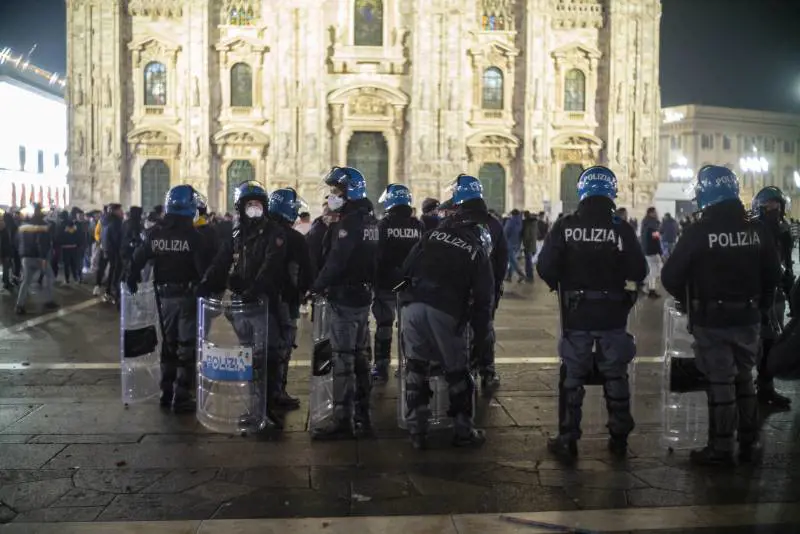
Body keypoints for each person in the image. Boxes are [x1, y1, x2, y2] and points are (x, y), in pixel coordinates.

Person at [661, 166, 781, 466]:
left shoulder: (699, 231)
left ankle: (722, 448)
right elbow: (773, 275)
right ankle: (750, 441)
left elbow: (671, 275)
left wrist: (689, 301)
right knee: (744, 378)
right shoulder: (757, 230)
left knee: (720, 381)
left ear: (706, 194)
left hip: (712, 319)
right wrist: (762, 306)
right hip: (749, 317)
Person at [537, 166, 646, 461]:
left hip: (577, 313)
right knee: (615, 372)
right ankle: (619, 436)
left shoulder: (565, 225)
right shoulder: (621, 229)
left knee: (573, 374)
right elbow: (640, 269)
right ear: (611, 193)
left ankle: (568, 438)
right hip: (612, 313)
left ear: (582, 191)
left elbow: (545, 266)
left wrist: (560, 284)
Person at [398, 207, 494, 449]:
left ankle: (417, 430)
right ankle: (463, 430)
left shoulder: (430, 235)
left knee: (416, 367)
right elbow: (484, 300)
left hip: (412, 306)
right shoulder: (476, 250)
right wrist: (481, 339)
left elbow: (406, 269)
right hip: (445, 310)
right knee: (457, 371)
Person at [200, 181, 288, 427]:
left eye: (257, 203)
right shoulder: (237, 234)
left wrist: (254, 291)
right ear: (241, 206)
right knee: (250, 359)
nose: (254, 208)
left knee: (264, 358)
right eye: (249, 204)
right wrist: (206, 284)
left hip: (262, 304)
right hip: (242, 306)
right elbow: (220, 261)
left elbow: (271, 266)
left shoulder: (274, 232)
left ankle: (267, 410)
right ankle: (255, 409)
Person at [309, 166, 379, 440]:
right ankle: (363, 415)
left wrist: (316, 286)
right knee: (361, 358)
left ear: (350, 193)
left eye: (337, 191)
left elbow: (337, 261)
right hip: (363, 297)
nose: (332, 196)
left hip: (346, 298)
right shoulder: (371, 221)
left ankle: (342, 421)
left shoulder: (349, 224)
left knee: (343, 360)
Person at [128, 186, 209, 413]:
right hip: (187, 298)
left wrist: (132, 277)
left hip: (164, 298)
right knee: (187, 346)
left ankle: (166, 392)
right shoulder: (194, 237)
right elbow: (203, 271)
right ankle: (182, 395)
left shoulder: (156, 233)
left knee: (168, 345)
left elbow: (138, 257)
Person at [449, 174, 507, 391]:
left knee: (461, 330)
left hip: (460, 289)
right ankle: (488, 371)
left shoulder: (455, 223)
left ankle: (468, 370)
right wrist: (495, 284)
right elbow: (502, 259)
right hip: (487, 288)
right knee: (485, 329)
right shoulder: (494, 223)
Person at [371, 184, 424, 383]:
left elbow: (378, 255)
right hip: (410, 285)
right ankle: (409, 365)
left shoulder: (384, 224)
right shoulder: (417, 225)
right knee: (408, 327)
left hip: (386, 284)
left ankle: (381, 367)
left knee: (384, 326)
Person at [267, 187, 314, 410]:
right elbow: (306, 270)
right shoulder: (295, 238)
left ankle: (261, 392)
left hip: (259, 301)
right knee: (283, 346)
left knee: (261, 346)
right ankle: (277, 391)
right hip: (287, 300)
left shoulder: (259, 232)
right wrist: (305, 293)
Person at [751, 186, 795, 408]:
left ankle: (765, 387)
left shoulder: (783, 232)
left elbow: (787, 265)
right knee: (757, 341)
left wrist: (791, 294)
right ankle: (749, 390)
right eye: (769, 206)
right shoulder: (753, 231)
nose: (774, 210)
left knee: (771, 341)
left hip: (777, 294)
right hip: (757, 294)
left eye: (777, 206)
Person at [15, 204, 59, 314]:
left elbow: (16, 241)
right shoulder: (43, 226)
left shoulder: (23, 225)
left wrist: (21, 254)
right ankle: (48, 301)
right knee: (50, 276)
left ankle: (19, 305)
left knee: (26, 281)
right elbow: (41, 242)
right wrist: (43, 258)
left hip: (25, 257)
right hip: (38, 257)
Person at [640, 207, 662, 298]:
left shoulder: (645, 222)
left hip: (646, 249)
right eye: (655, 212)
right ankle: (645, 284)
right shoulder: (653, 224)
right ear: (651, 213)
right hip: (652, 250)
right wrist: (660, 251)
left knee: (654, 269)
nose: (656, 213)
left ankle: (649, 288)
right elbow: (656, 239)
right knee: (657, 269)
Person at [503, 209, 526, 283]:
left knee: (512, 261)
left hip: (509, 244)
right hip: (517, 244)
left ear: (512, 214)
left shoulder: (510, 221)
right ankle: (509, 277)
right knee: (512, 260)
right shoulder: (520, 222)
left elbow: (505, 232)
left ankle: (521, 274)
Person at [522, 211, 537, 282]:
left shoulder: (527, 224)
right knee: (529, 261)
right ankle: (530, 276)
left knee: (528, 262)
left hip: (528, 245)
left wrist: (524, 244)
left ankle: (530, 277)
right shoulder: (535, 223)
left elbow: (526, 236)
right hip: (533, 245)